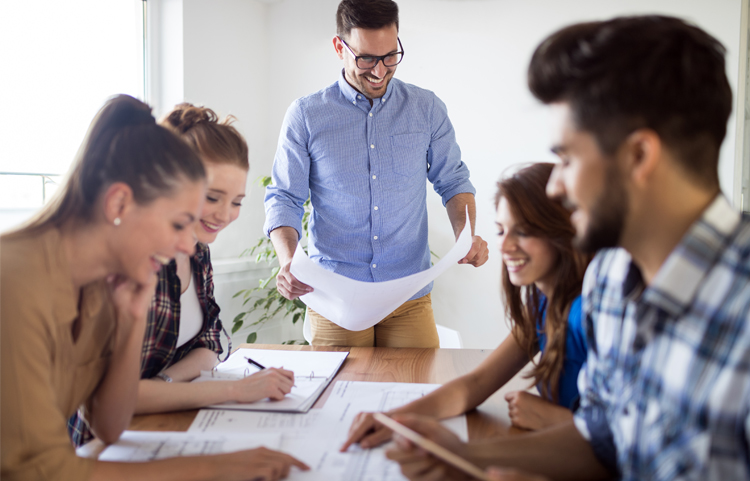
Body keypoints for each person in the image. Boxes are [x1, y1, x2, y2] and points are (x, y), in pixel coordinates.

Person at [384, 15, 750, 481]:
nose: (555, 186)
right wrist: (462, 460)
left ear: (639, 156)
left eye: (568, 158)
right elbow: (605, 441)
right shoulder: (608, 279)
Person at [0, 95, 308, 480]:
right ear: (119, 205)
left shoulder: (102, 286)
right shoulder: (15, 281)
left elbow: (109, 426)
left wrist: (130, 321)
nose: (186, 246)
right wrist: (212, 468)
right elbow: (40, 470)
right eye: (180, 223)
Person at [263, 0, 489, 347]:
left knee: (417, 394)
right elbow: (284, 197)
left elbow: (454, 180)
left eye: (390, 56)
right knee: (340, 398)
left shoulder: (426, 109)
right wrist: (288, 261)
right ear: (340, 47)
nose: (380, 71)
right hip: (335, 297)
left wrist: (466, 233)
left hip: (408, 296)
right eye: (366, 58)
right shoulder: (306, 115)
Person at [68, 103, 296, 446]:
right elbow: (106, 402)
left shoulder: (197, 250)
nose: (224, 214)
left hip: (160, 426)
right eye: (212, 197)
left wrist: (163, 384)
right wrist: (233, 389)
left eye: (236, 202)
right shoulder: (133, 265)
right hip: (94, 449)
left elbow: (213, 340)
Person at [341, 162, 589, 452]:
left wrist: (557, 421)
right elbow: (476, 383)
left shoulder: (590, 311)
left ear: (564, 231)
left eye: (523, 232)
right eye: (500, 230)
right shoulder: (541, 305)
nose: (505, 246)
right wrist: (394, 419)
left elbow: (627, 437)